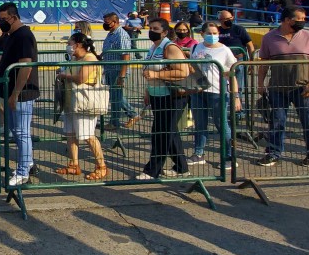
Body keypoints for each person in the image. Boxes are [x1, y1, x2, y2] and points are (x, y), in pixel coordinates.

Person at [256, 6, 309, 167]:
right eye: (299, 19)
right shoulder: (270, 37)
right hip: (277, 88)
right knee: (277, 122)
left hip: (304, 88)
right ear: (287, 20)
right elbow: (264, 64)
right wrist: (260, 84)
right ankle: (273, 153)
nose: (303, 22)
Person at [136, 17, 190, 180]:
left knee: (161, 133)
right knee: (170, 131)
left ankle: (152, 170)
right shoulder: (153, 47)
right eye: (150, 28)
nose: (151, 31)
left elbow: (183, 72)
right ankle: (182, 167)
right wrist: (148, 91)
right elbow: (149, 70)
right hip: (156, 94)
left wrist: (157, 74)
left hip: (171, 96)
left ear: (165, 32)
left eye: (156, 29)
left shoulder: (170, 47)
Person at [56, 32, 108, 180]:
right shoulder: (75, 58)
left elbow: (81, 79)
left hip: (84, 103)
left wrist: (64, 75)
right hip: (71, 102)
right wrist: (62, 72)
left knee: (87, 136)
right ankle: (73, 164)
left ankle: (101, 166)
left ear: (77, 45)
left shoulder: (89, 58)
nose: (68, 46)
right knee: (71, 134)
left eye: (69, 43)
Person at [187, 22, 240, 166]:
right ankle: (198, 153)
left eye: (215, 33)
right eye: (209, 33)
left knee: (221, 124)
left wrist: (236, 96)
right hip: (198, 91)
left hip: (217, 92)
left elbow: (233, 73)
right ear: (202, 34)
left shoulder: (225, 50)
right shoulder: (195, 47)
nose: (212, 36)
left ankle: (229, 156)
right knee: (200, 124)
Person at [0, 2, 39, 186]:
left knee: (22, 132)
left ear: (13, 17)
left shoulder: (24, 35)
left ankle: (23, 172)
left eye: (4, 19)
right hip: (11, 92)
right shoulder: (11, 35)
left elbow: (25, 66)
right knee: (17, 131)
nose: (1, 23)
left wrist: (15, 94)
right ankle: (27, 162)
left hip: (22, 93)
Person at [101, 12, 140, 130]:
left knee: (116, 96)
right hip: (109, 69)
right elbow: (108, 49)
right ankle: (132, 114)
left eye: (107, 22)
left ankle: (115, 122)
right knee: (116, 95)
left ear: (115, 21)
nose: (105, 24)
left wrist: (122, 75)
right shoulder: (111, 34)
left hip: (117, 70)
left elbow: (125, 56)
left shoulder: (121, 35)